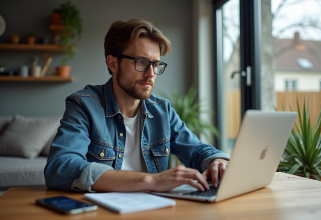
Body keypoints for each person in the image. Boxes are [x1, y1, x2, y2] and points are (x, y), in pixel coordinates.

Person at [44, 18, 230, 193]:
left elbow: (196, 150)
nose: (151, 73)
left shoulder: (161, 110)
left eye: (156, 64)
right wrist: (151, 181)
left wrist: (218, 161)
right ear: (113, 63)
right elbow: (60, 167)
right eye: (141, 62)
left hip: (154, 208)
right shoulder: (84, 105)